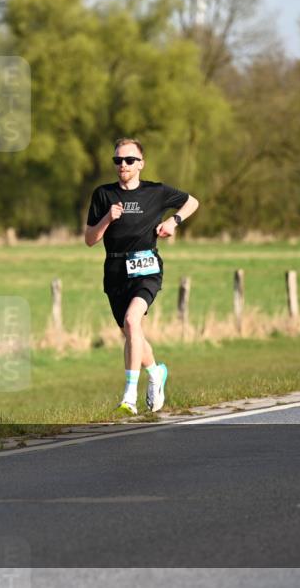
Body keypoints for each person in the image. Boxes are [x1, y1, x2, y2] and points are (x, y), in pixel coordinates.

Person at [84, 138, 199, 415]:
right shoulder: (103, 195)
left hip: (146, 268)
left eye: (129, 160)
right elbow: (90, 239)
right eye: (118, 160)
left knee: (132, 320)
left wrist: (174, 221)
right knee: (131, 332)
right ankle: (156, 373)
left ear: (140, 164)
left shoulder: (156, 192)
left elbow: (192, 202)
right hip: (114, 271)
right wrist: (107, 219)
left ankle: (129, 398)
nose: (123, 165)